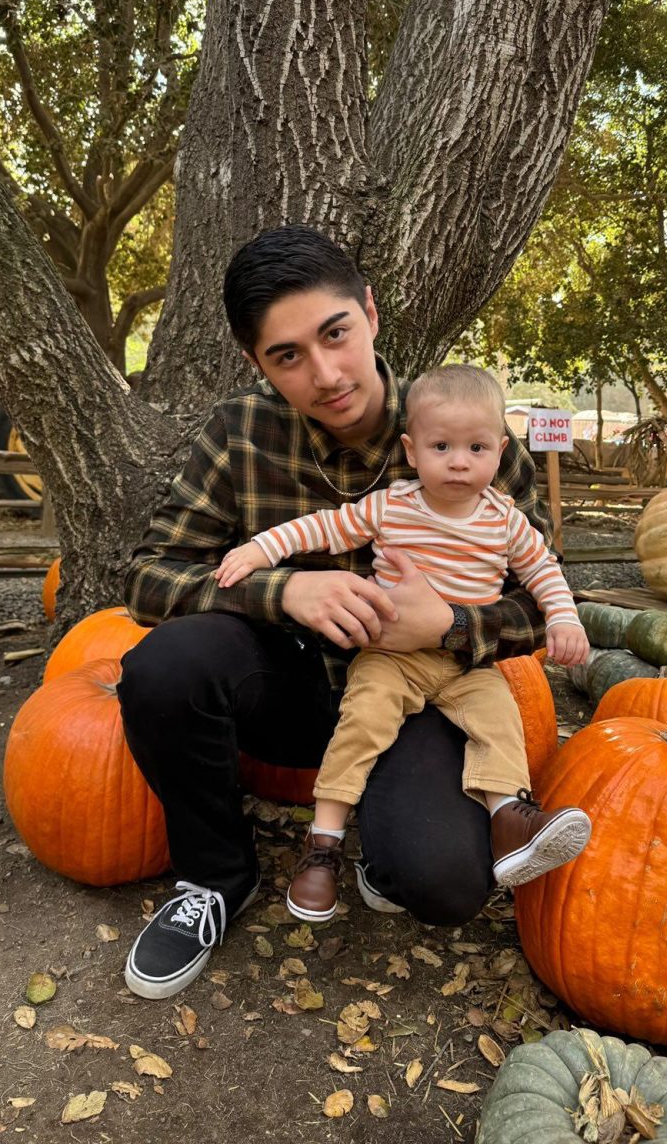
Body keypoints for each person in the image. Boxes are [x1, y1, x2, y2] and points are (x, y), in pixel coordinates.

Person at [117, 225, 569, 1000]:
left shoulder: (462, 429)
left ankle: (379, 837)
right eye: (287, 356)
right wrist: (284, 590)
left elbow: (546, 591)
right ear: (256, 362)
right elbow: (149, 579)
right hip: (286, 687)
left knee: (445, 885)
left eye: (336, 334)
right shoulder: (237, 435)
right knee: (162, 667)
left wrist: (454, 626)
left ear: (370, 312)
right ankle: (216, 878)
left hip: (426, 689)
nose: (325, 374)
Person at [214, 364, 591, 923]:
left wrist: (567, 621)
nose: (459, 461)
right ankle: (324, 844)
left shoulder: (507, 521)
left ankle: (509, 817)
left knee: (501, 721)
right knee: (362, 722)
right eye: (442, 446)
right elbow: (323, 527)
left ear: (500, 451)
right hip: (393, 658)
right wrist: (262, 551)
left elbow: (545, 574)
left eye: (476, 447)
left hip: (467, 662)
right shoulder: (394, 505)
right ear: (413, 451)